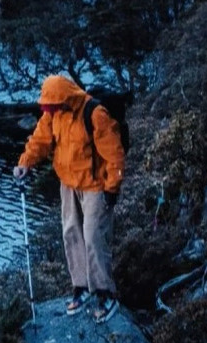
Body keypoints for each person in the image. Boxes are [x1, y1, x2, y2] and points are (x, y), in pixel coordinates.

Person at [12, 74, 124, 321]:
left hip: (95, 185)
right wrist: (25, 163)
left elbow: (114, 154)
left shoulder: (94, 114)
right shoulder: (53, 114)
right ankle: (81, 287)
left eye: (52, 106)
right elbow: (40, 141)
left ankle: (105, 293)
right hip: (68, 183)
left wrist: (112, 188)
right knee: (71, 232)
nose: (49, 110)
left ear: (65, 99)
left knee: (94, 235)